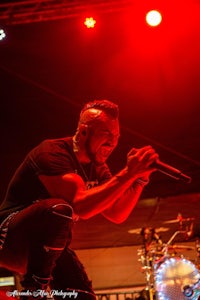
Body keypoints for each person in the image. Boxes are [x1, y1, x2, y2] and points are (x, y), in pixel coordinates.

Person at [0, 99, 158, 300]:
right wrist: (128, 172)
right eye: (106, 134)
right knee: (60, 209)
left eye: (117, 136)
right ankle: (33, 292)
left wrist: (139, 179)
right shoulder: (52, 152)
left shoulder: (98, 168)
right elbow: (80, 205)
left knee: (81, 295)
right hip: (9, 239)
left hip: (47, 250)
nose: (113, 143)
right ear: (84, 131)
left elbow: (117, 213)